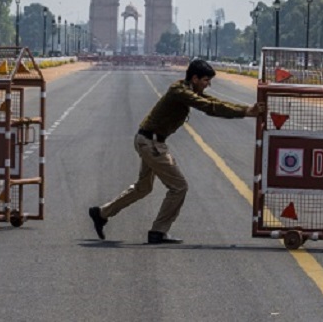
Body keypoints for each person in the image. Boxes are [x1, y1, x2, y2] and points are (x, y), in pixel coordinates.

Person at [89, 59, 263, 244]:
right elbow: (208, 106)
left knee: (143, 188)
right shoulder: (179, 91)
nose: (208, 84)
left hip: (150, 141)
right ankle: (158, 231)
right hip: (151, 143)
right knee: (179, 187)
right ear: (194, 78)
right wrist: (246, 112)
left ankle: (101, 213)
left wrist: (246, 110)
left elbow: (212, 102)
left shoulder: (187, 90)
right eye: (205, 80)